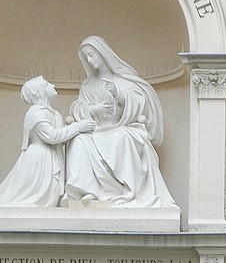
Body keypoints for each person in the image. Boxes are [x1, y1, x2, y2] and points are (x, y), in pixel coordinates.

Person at [64, 36, 177, 208]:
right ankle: (89, 190)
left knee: (120, 137)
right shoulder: (87, 85)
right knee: (78, 141)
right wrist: (93, 110)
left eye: (92, 54)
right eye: (86, 57)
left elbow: (140, 101)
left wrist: (119, 94)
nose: (89, 59)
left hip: (120, 127)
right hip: (96, 131)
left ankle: (129, 192)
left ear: (102, 53)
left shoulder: (124, 79)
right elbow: (78, 106)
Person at [0, 76, 95, 207]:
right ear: (40, 92)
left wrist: (75, 131)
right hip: (39, 159)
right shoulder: (36, 113)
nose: (52, 85)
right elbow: (52, 136)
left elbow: (60, 138)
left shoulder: (54, 113)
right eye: (47, 84)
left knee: (47, 198)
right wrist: (77, 127)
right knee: (36, 198)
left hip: (50, 156)